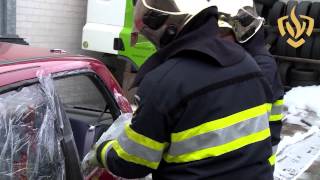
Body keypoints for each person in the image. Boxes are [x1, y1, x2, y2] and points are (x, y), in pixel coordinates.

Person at [83, 0, 275, 179]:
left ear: (169, 29)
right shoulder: (246, 63)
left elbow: (133, 163)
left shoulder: (164, 82)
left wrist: (102, 151)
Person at [216, 2, 284, 165]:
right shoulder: (251, 58)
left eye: (224, 33)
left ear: (241, 34)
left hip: (257, 154)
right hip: (250, 151)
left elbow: (242, 109)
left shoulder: (261, 65)